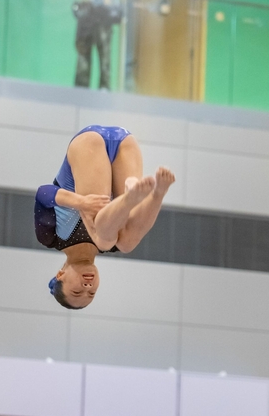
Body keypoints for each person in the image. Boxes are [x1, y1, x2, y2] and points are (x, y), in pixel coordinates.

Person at [34, 125, 175, 309]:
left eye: (77, 291)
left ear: (61, 275)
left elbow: (43, 193)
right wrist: (157, 192)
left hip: (88, 145)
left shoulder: (51, 238)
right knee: (125, 244)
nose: (87, 287)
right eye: (92, 293)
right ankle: (157, 194)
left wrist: (81, 202)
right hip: (125, 143)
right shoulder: (115, 242)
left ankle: (129, 198)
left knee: (104, 241)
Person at [73, 0, 124, 89]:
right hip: (86, 21)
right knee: (83, 64)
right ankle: (81, 95)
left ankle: (103, 94)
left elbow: (117, 12)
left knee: (105, 63)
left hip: (103, 22)